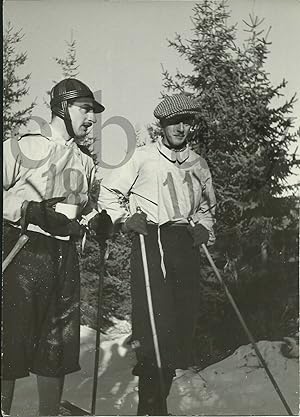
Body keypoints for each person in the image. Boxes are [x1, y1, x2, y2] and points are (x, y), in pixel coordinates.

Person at [98, 93, 216, 415]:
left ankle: (157, 403)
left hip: (183, 244)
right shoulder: (143, 157)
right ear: (162, 124)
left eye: (186, 121)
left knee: (179, 328)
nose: (180, 127)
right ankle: (151, 408)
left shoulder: (199, 164)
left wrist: (203, 228)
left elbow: (207, 209)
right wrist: (125, 218)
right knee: (153, 329)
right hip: (150, 239)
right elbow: (108, 193)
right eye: (174, 121)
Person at [2, 78, 112, 416]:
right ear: (61, 107)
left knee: (56, 346)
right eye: (84, 109)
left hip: (64, 258)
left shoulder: (85, 162)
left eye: (93, 112)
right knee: (10, 342)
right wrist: (27, 210)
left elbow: (84, 205)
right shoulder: (22, 146)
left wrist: (97, 220)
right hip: (22, 248)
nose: (91, 119)